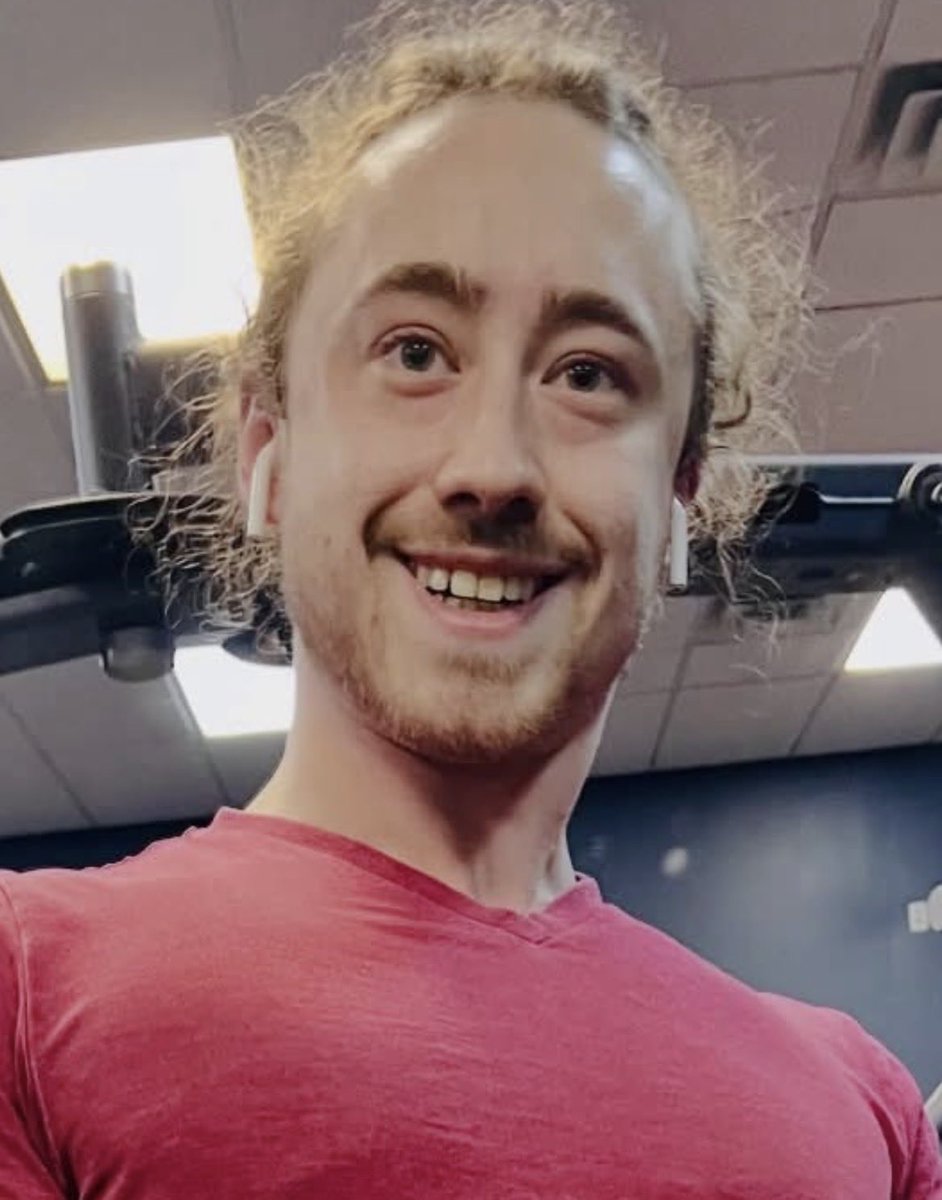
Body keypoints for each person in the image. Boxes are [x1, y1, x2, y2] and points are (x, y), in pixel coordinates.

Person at [1, 2, 940, 1196]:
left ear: (679, 500)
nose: (493, 465)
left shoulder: (861, 1112)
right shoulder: (24, 993)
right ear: (267, 453)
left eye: (588, 374)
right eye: (415, 352)